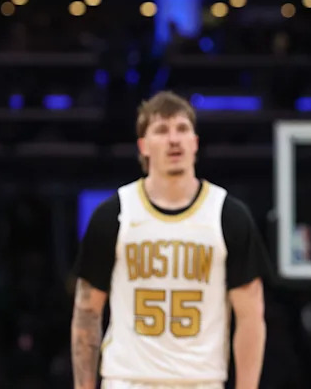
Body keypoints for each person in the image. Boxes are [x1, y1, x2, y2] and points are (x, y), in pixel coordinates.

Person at [70, 91, 272, 389]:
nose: (173, 139)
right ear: (143, 145)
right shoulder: (113, 214)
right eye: (161, 130)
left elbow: (251, 316)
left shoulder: (228, 214)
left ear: (195, 142)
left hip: (201, 380)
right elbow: (87, 313)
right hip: (127, 379)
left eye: (182, 128)